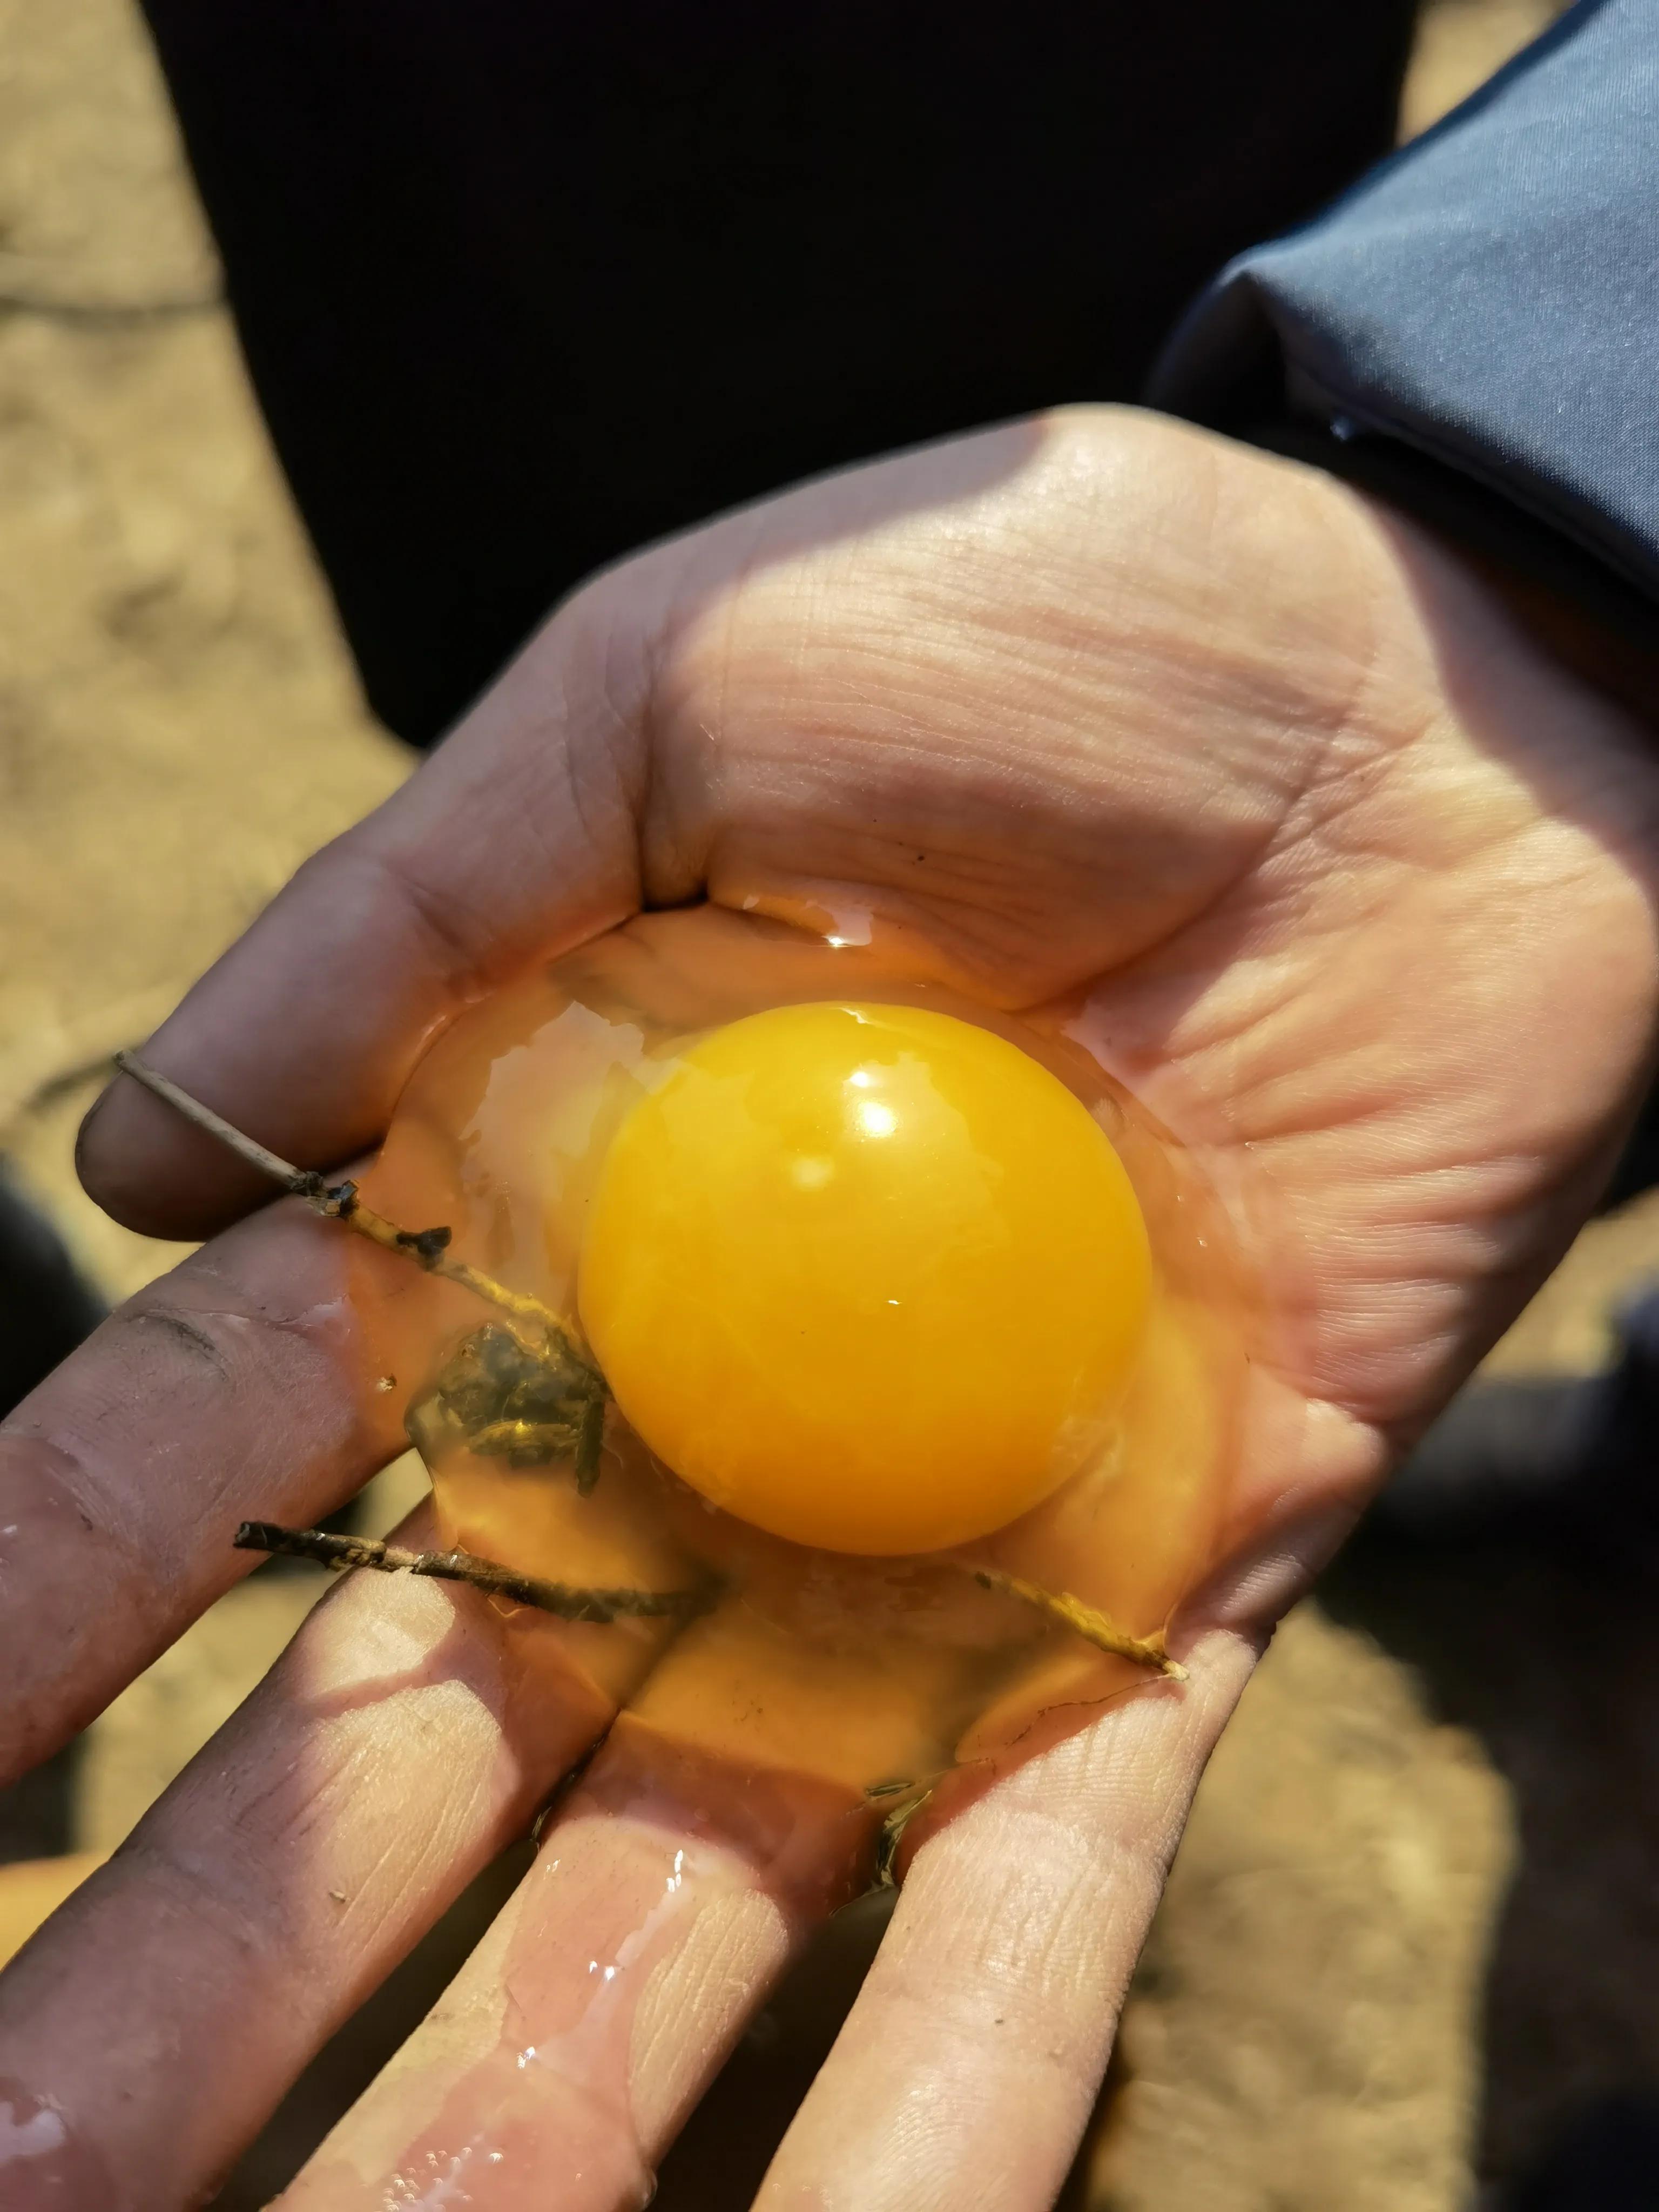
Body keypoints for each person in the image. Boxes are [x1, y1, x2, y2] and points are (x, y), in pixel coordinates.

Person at [2, 4, 1658, 2206]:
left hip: (1084, 155)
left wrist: (1543, 528)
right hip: (440, 164)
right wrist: (1531, 513)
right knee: (494, 517)